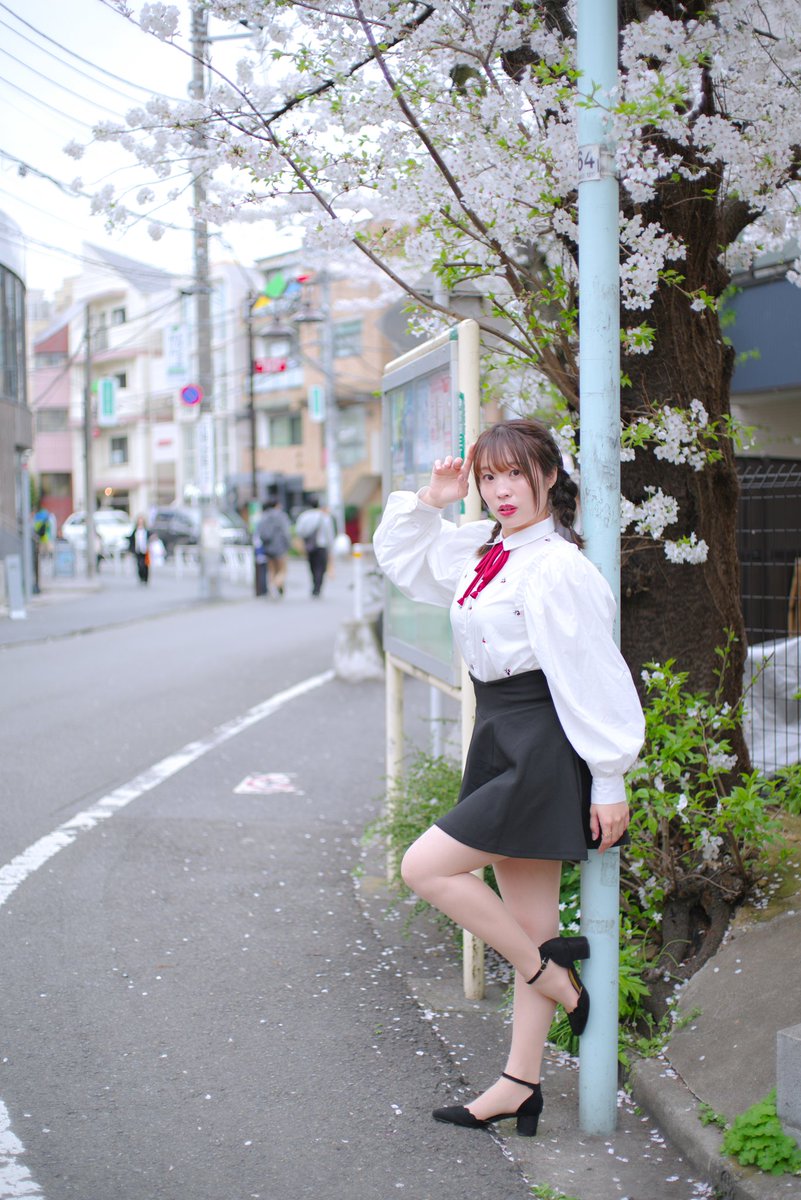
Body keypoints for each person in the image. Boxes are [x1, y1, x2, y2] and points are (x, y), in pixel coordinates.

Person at [373, 418, 645, 1137]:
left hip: (543, 740)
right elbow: (402, 563)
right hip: (499, 733)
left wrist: (608, 778)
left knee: (424, 867)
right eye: (488, 477)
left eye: (514, 476)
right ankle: (518, 1085)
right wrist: (432, 500)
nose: (499, 491)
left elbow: (592, 674)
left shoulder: (556, 567)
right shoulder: (484, 550)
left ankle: (550, 977)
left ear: (547, 478)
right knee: (533, 922)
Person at [295, 496, 336, 597]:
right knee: (320, 568)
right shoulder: (324, 516)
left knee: (312, 566)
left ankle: (314, 584)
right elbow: (329, 534)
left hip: (309, 546)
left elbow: (299, 531)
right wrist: (331, 547)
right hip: (321, 546)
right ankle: (317, 587)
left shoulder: (304, 516)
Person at [257, 499, 292, 597]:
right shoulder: (281, 516)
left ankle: (273, 589)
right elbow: (286, 532)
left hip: (267, 547)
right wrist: (289, 545)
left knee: (272, 570)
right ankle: (277, 583)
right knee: (283, 570)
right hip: (280, 547)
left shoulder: (263, 516)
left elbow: (259, 532)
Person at [128, 514, 151, 584]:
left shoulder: (146, 531)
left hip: (145, 550)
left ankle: (146, 578)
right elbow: (131, 540)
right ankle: (141, 577)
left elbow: (150, 538)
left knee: (146, 564)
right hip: (138, 550)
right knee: (139, 564)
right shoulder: (135, 531)